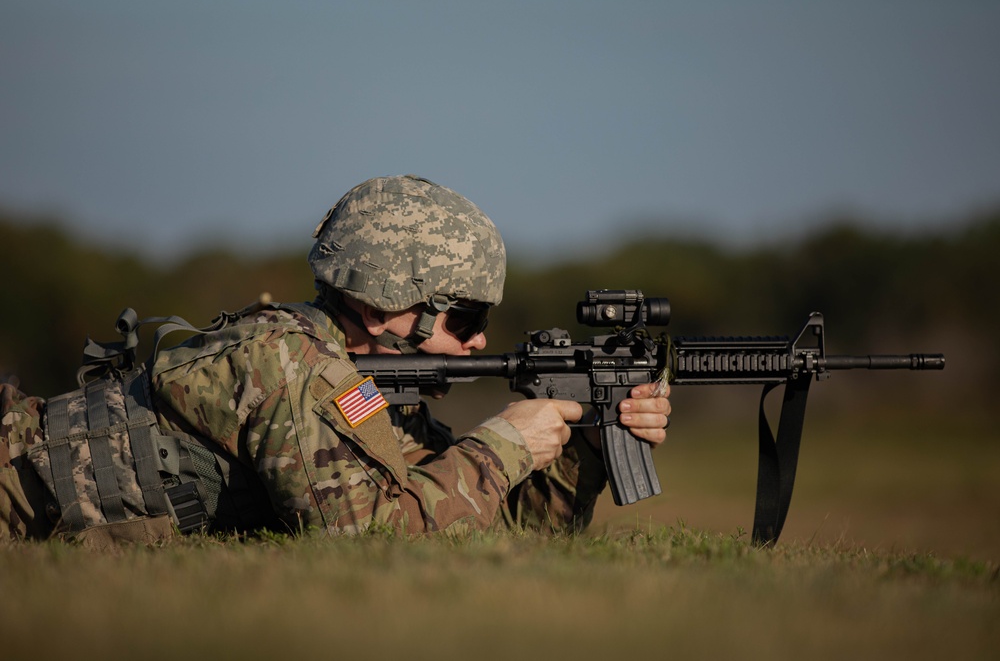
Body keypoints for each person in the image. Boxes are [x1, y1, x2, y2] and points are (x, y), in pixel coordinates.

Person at [0, 175, 671, 546]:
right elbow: (370, 538)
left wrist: (581, 440)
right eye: (464, 318)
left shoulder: (368, 391)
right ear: (386, 304)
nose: (474, 342)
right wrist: (503, 443)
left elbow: (499, 527)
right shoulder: (295, 367)